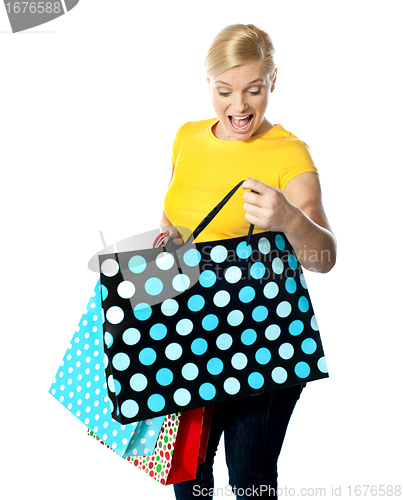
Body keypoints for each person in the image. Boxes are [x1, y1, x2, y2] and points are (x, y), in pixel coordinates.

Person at [160, 24, 336, 500]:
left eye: (254, 90)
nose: (238, 107)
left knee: (250, 482)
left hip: (262, 338)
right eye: (225, 91)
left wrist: (288, 218)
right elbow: (175, 218)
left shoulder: (289, 153)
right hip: (188, 333)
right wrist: (165, 241)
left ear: (273, 82)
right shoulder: (187, 138)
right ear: (210, 84)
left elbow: (324, 257)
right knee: (187, 477)